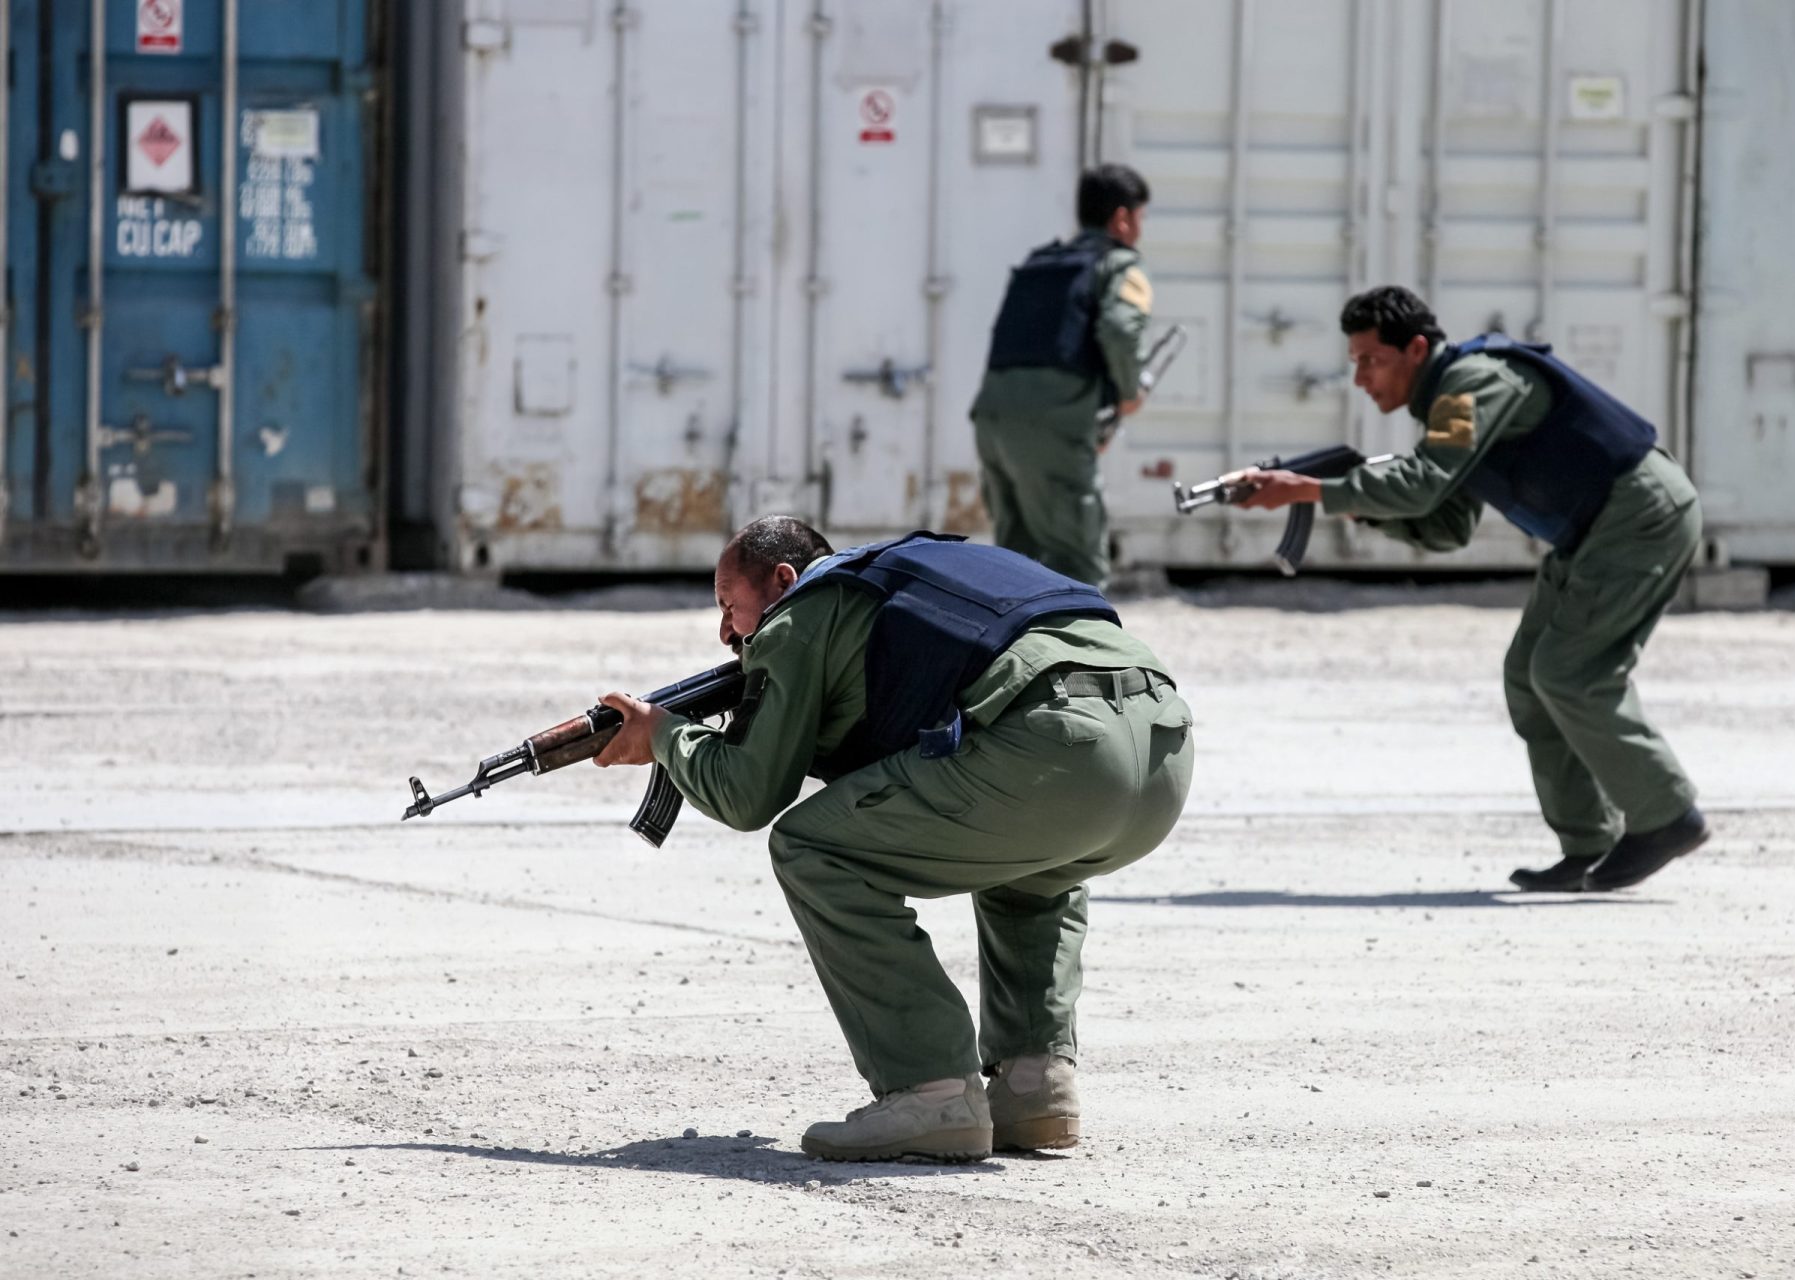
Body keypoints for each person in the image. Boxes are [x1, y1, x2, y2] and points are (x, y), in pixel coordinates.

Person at [590, 516, 1195, 1161]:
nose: (726, 632)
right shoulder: (915, 578)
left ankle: (931, 1092)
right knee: (1029, 861)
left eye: (729, 606)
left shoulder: (802, 611)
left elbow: (748, 796)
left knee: (812, 846)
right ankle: (1034, 1086)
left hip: (1054, 747)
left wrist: (662, 737)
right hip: (1162, 752)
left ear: (783, 580)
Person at [1228, 286, 1708, 893]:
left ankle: (1667, 816)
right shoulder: (1446, 406)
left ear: (1416, 349)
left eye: (1371, 361)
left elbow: (1423, 482)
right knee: (1528, 678)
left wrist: (1311, 491)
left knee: (1570, 673)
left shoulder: (1473, 384)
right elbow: (1446, 526)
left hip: (1638, 518)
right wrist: (1353, 503)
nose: (1361, 379)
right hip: (1596, 530)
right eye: (1354, 363)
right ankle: (1587, 843)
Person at [969, 164, 1155, 590]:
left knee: (1013, 567)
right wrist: (1129, 393)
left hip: (993, 422)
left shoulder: (1040, 263)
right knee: (1078, 570)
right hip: (1052, 430)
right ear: (1122, 219)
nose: (1140, 230)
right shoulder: (1120, 265)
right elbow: (1122, 329)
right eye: (1141, 219)